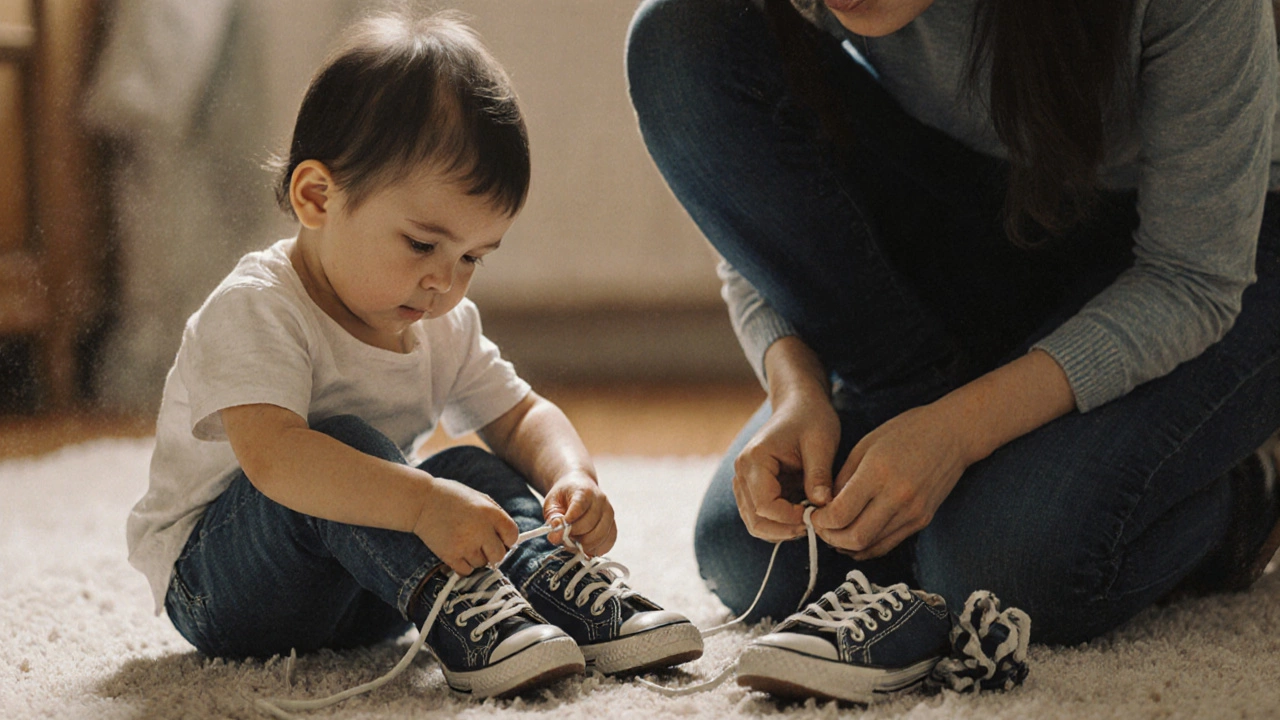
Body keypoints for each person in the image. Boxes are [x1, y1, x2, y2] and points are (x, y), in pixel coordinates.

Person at [627, 0, 1280, 676]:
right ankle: (938, 425)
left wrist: (959, 432)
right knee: (749, 551)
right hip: (998, 215)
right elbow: (755, 213)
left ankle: (1242, 492)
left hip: (1223, 256)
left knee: (996, 573)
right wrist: (798, 387)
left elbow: (1191, 278)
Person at [126, 10, 702, 700]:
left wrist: (570, 478)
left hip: (371, 591)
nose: (445, 281)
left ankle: (551, 586)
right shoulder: (257, 307)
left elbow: (520, 416)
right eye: (422, 245)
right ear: (318, 197)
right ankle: (460, 610)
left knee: (471, 468)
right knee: (343, 447)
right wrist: (424, 503)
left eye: (472, 257)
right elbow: (276, 458)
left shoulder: (442, 322)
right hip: (226, 591)